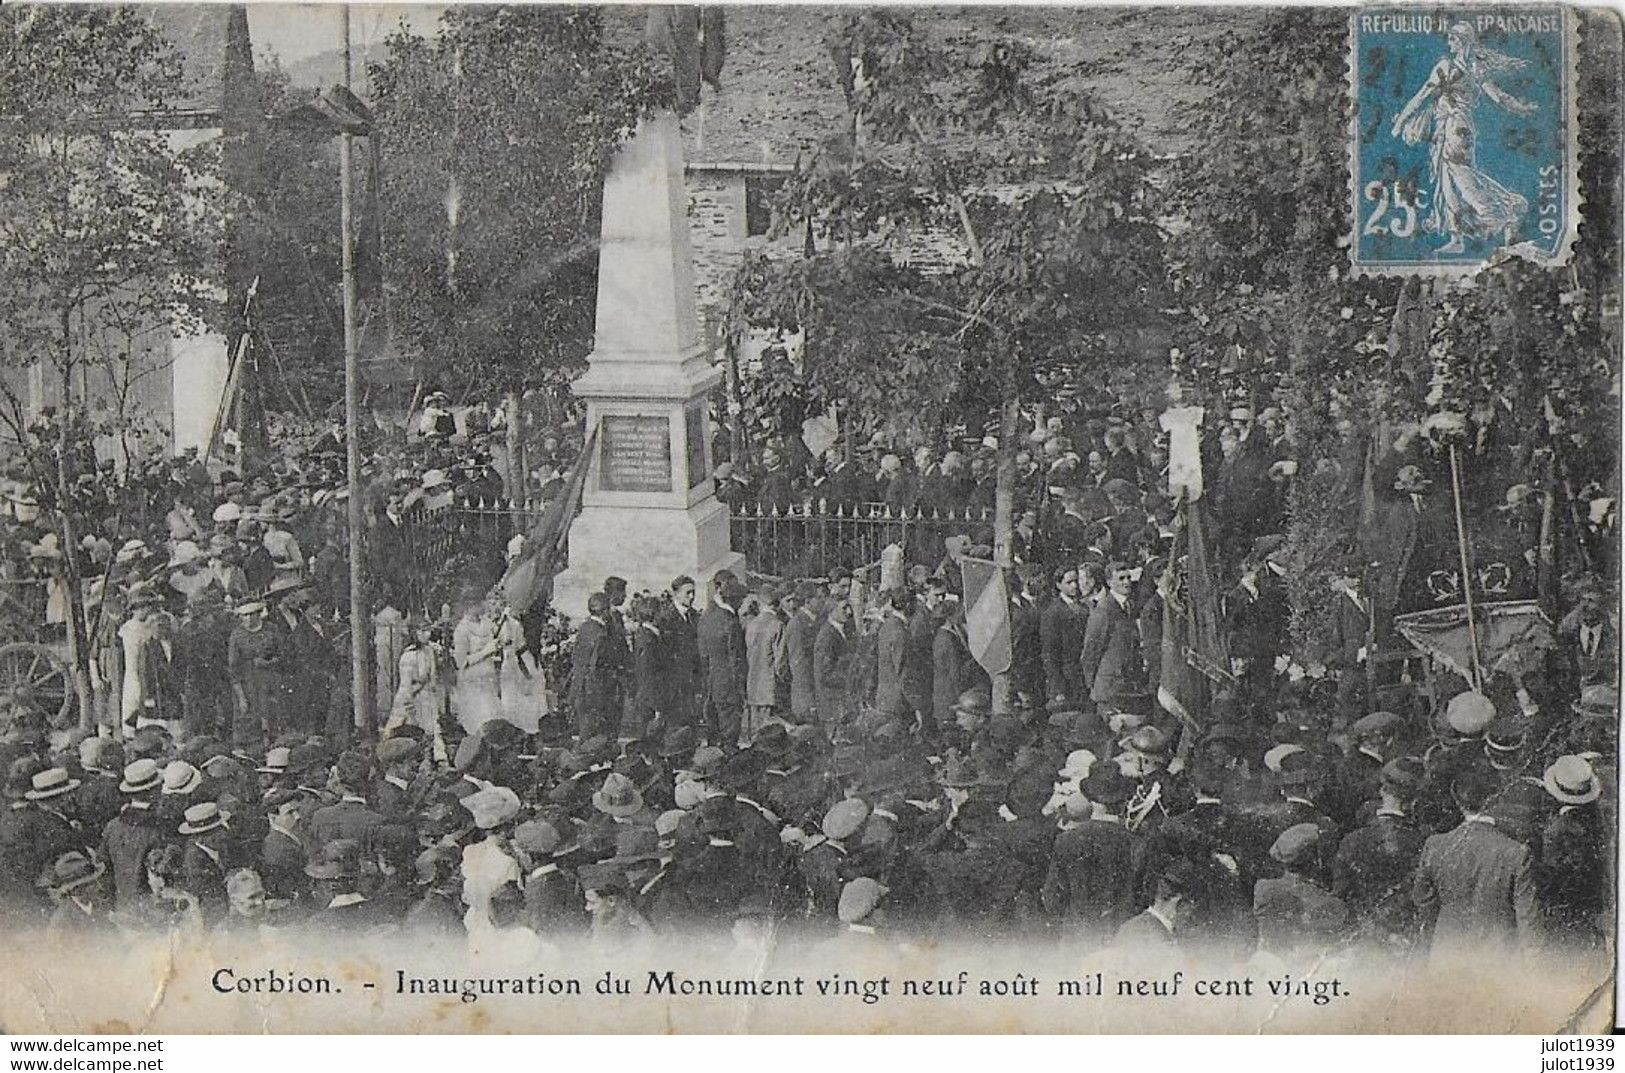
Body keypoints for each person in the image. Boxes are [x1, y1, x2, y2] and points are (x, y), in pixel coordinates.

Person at [1390, 21, 1539, 254]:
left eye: (1452, 39)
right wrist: (1520, 107)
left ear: (1461, 42)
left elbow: (1422, 96)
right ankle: (1457, 237)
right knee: (1448, 178)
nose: (1448, 43)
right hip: (1460, 129)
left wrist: (1400, 122)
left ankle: (1497, 212)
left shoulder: (1446, 67)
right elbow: (1498, 97)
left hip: (1452, 128)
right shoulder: (1476, 69)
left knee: (1461, 176)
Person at [1411, 766, 1540, 960]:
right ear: (1496, 800)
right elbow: (1528, 919)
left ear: (1457, 800)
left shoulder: (1435, 845)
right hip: (1497, 958)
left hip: (1446, 953)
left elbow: (1423, 902)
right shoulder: (1515, 852)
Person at [697, 574, 747, 749]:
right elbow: (736, 659)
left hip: (712, 684)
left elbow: (702, 654)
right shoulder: (730, 621)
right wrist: (741, 688)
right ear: (735, 600)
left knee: (714, 733)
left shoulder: (706, 616)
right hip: (729, 686)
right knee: (729, 735)